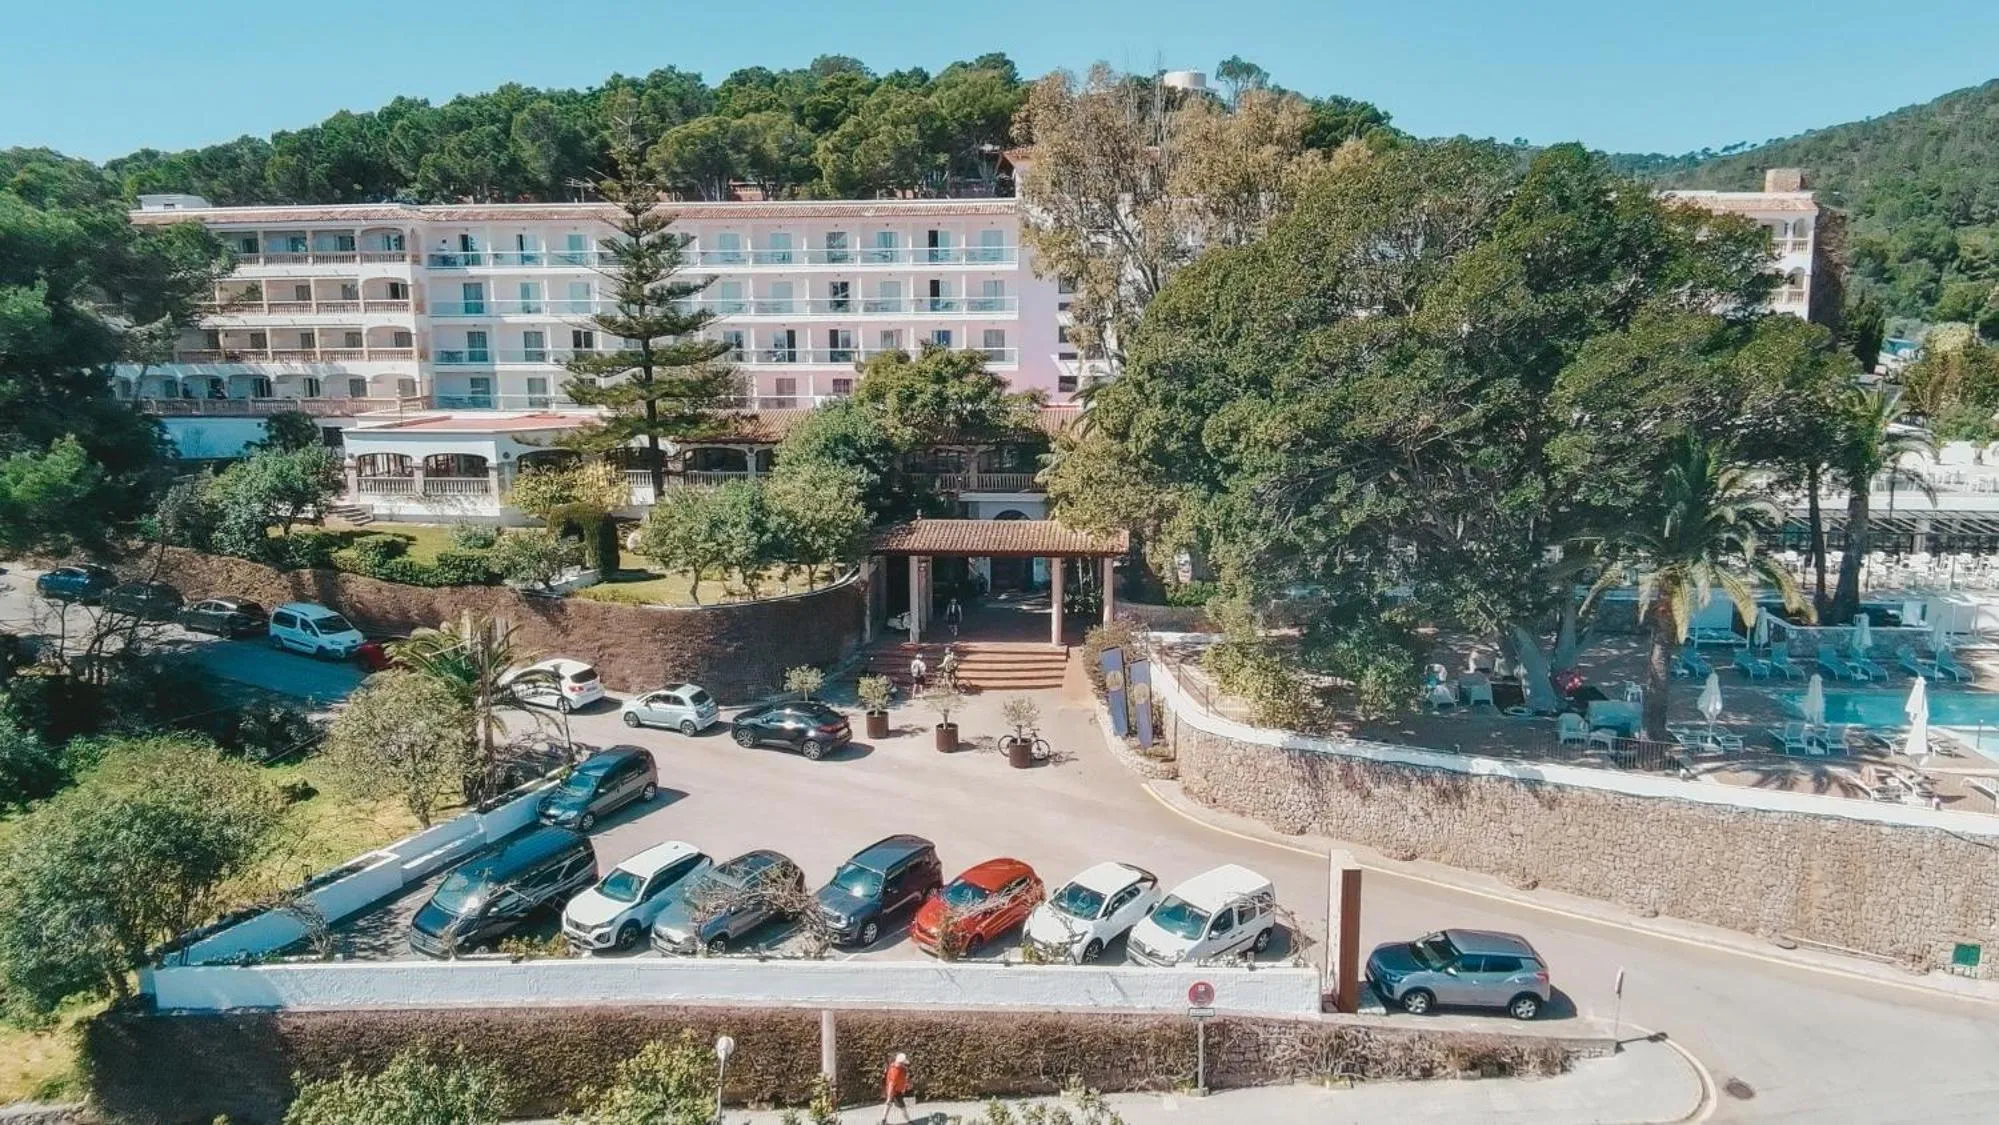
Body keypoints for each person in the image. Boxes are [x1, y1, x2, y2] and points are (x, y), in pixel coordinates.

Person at [880, 1052, 913, 1124]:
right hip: (895, 1092)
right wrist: (889, 1097)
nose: (905, 1064)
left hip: (896, 1090)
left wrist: (906, 1084)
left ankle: (883, 1120)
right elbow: (891, 1085)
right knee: (903, 1108)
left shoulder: (899, 1067)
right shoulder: (895, 1071)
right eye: (903, 1063)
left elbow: (904, 1077)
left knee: (888, 1105)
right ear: (900, 1063)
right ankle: (909, 1121)